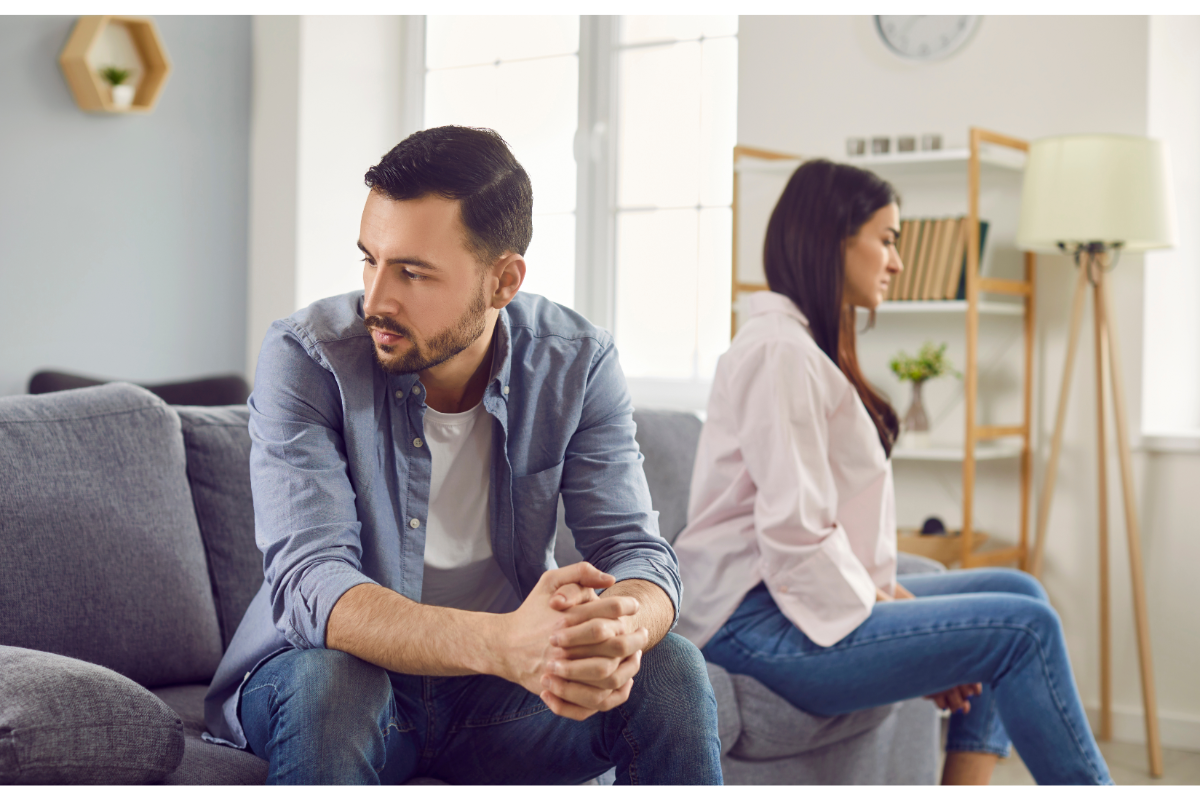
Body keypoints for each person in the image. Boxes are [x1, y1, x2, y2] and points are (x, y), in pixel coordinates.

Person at [202, 125, 722, 785]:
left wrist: (620, 626)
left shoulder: (577, 363)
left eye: (412, 273)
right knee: (335, 684)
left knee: (670, 667)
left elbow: (638, 554)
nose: (376, 300)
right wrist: (505, 645)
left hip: (495, 698)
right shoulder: (308, 358)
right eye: (370, 260)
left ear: (503, 280)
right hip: (337, 678)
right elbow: (312, 582)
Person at [671, 159, 1112, 785]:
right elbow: (795, 535)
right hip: (753, 625)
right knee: (1024, 628)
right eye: (887, 240)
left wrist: (907, 615)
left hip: (787, 603)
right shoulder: (778, 352)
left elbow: (821, 531)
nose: (897, 262)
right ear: (834, 241)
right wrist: (906, 624)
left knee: (1020, 593)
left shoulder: (803, 348)